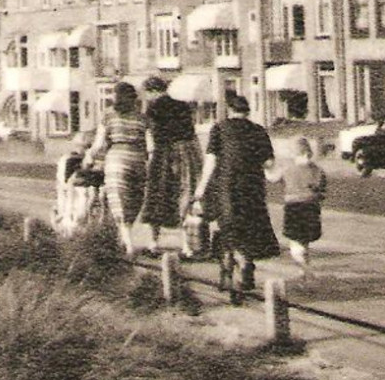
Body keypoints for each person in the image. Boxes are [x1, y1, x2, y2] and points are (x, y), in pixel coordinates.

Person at [192, 93, 280, 298]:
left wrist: (200, 189)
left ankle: (231, 267)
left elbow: (211, 163)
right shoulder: (259, 131)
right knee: (248, 227)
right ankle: (247, 263)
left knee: (228, 228)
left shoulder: (219, 129)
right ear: (247, 112)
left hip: (226, 187)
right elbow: (269, 165)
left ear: (230, 110)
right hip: (252, 188)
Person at [137, 76, 203, 257]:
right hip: (185, 153)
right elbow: (192, 136)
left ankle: (153, 243)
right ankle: (187, 246)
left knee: (157, 195)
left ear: (153, 91)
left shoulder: (152, 109)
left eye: (147, 94)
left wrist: (148, 158)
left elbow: (150, 136)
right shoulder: (183, 106)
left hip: (163, 154)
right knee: (183, 195)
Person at [81, 81, 149, 257]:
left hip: (116, 160)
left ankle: (128, 243)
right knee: (135, 199)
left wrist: (89, 156)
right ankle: (125, 237)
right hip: (138, 160)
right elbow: (150, 145)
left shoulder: (109, 116)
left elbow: (99, 143)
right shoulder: (142, 118)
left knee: (118, 199)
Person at [277, 136, 327, 271]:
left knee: (295, 244)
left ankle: (304, 271)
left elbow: (276, 179)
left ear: (294, 154)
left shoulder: (288, 170)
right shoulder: (318, 171)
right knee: (305, 242)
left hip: (294, 208)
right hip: (311, 208)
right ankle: (304, 269)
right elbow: (322, 192)